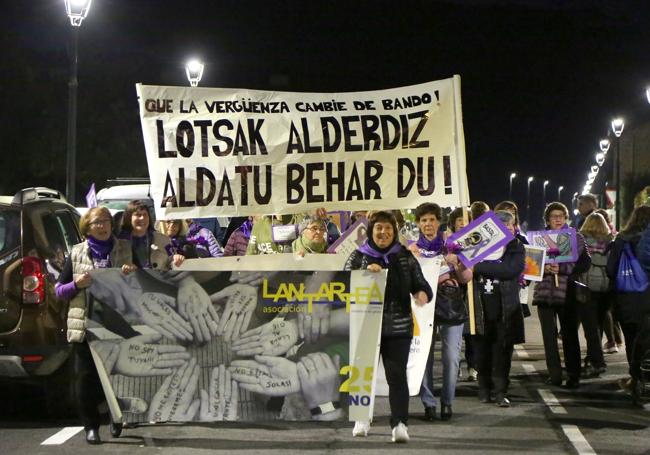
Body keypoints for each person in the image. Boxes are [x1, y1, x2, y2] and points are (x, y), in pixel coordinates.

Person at [345, 211, 433, 443]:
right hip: (365, 325)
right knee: (362, 374)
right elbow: (343, 283)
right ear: (371, 231)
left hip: (398, 325)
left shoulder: (404, 256)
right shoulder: (359, 255)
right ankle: (362, 419)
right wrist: (365, 273)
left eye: (388, 229)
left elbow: (420, 283)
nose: (383, 233)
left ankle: (400, 424)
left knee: (396, 376)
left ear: (394, 232)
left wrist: (423, 293)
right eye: (379, 228)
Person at [55, 207, 136, 444]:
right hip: (84, 324)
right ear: (87, 227)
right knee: (86, 377)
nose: (102, 226)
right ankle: (91, 426)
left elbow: (141, 283)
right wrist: (77, 284)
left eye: (105, 221)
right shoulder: (77, 252)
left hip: (117, 323)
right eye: (96, 223)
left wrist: (132, 274)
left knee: (119, 373)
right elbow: (59, 291)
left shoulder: (125, 248)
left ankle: (117, 417)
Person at [409, 203, 472, 421]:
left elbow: (466, 278)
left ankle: (447, 401)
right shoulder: (412, 249)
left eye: (432, 219)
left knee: (451, 357)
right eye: (424, 220)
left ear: (439, 222)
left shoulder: (452, 246)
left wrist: (457, 264)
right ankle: (428, 403)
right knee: (423, 356)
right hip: (423, 308)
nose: (428, 224)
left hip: (450, 306)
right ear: (418, 223)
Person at [532, 202, 590, 389]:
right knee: (549, 338)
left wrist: (562, 268)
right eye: (553, 216)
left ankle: (573, 374)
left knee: (569, 335)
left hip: (567, 293)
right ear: (547, 219)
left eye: (561, 216)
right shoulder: (539, 239)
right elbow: (530, 265)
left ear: (566, 218)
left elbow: (584, 263)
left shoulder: (575, 237)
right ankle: (554, 374)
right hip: (544, 295)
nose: (557, 219)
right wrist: (544, 268)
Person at [472, 210, 525, 407]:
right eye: (501, 225)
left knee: (502, 351)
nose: (506, 229)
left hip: (506, 308)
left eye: (509, 225)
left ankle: (501, 391)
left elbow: (510, 270)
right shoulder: (479, 245)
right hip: (481, 307)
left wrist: (478, 267)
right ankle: (484, 388)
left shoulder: (516, 246)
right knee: (482, 350)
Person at [606, 205, 650, 392]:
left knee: (631, 337)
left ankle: (635, 379)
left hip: (627, 296)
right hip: (647, 294)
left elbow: (610, 269)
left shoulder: (621, 240)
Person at [578, 212, 611, 376]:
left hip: (587, 287)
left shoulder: (581, 240)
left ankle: (597, 362)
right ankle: (592, 359)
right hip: (606, 288)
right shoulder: (609, 242)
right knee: (598, 324)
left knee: (590, 328)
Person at [118, 200, 184, 270]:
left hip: (156, 280)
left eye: (145, 214)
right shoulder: (119, 243)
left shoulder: (163, 240)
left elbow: (172, 260)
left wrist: (177, 258)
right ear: (129, 218)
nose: (142, 218)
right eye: (138, 215)